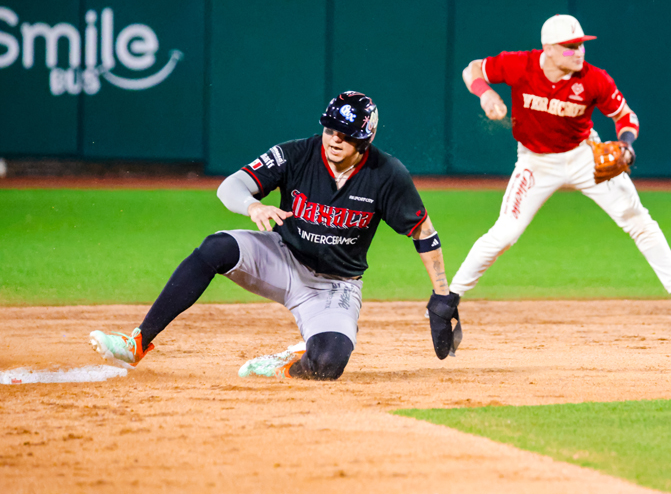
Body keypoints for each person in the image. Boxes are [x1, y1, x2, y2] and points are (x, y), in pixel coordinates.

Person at [90, 91, 462, 379]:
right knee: (217, 247)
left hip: (336, 285)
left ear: (366, 139)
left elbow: (422, 231)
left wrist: (442, 295)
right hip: (281, 257)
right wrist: (252, 206)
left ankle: (288, 363)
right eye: (330, 130)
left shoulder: (387, 173)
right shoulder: (296, 154)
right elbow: (230, 187)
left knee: (328, 364)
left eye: (346, 135)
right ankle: (137, 342)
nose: (334, 140)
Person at [451, 14, 671, 323]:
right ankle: (448, 298)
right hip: (536, 161)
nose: (579, 52)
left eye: (581, 45)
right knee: (504, 233)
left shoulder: (594, 78)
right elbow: (472, 69)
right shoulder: (520, 65)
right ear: (548, 49)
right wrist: (486, 92)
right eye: (570, 46)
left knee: (637, 219)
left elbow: (625, 116)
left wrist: (626, 144)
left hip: (583, 156)